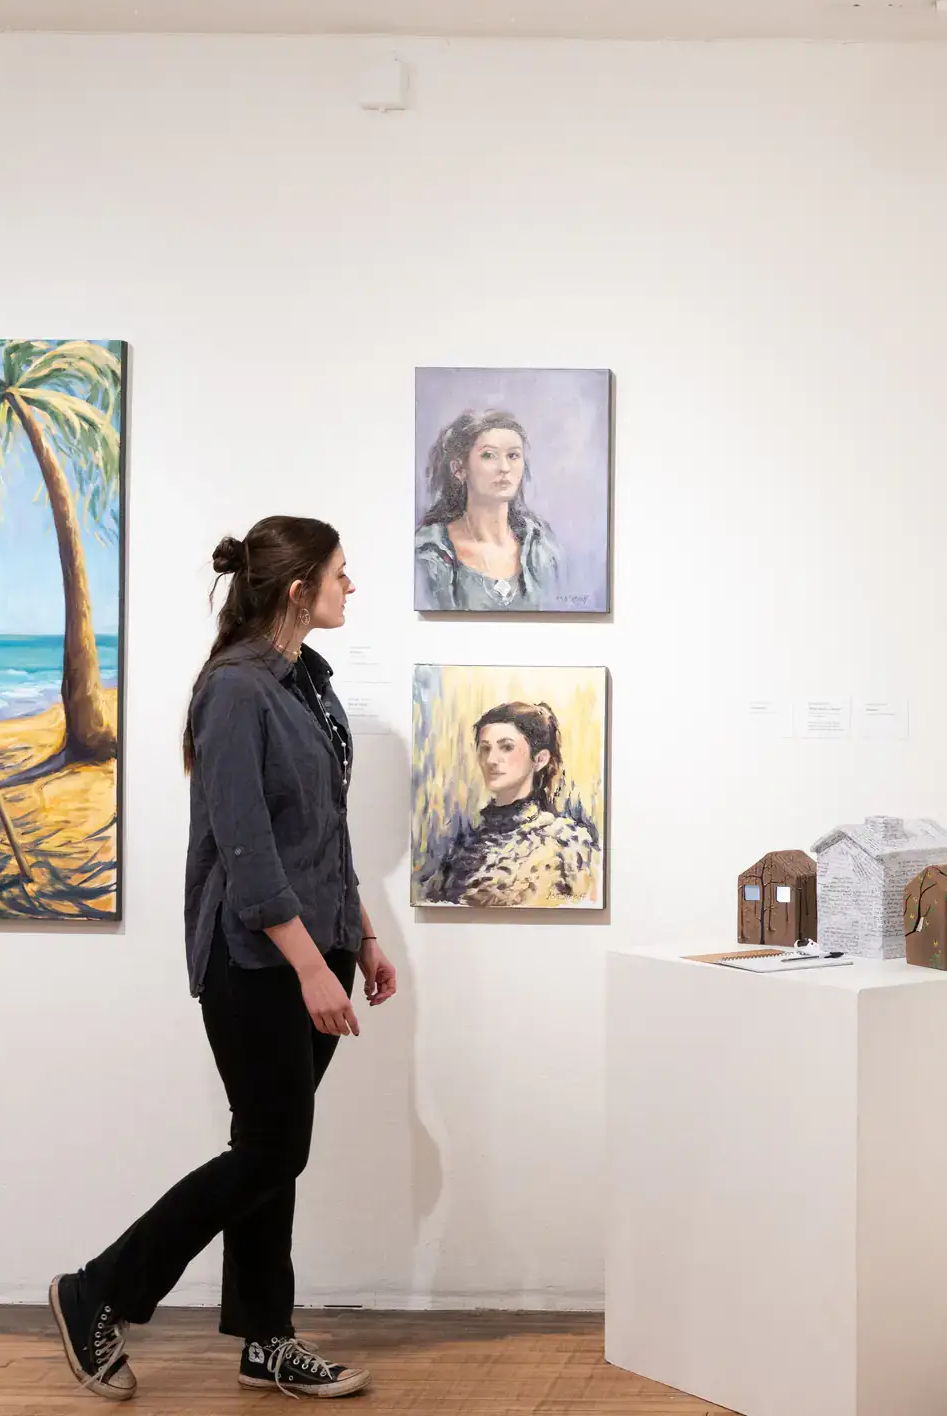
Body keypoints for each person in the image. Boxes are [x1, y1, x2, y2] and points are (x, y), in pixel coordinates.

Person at [50, 515, 397, 1403]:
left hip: (316, 944)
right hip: (254, 957)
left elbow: (323, 827)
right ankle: (101, 1289)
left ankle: (265, 1339)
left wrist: (357, 932)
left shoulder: (307, 681)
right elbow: (246, 850)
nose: (350, 587)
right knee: (274, 1149)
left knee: (267, 1149)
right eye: (340, 574)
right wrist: (311, 965)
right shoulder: (237, 692)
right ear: (297, 590)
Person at [421, 700, 600, 906]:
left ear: (540, 759)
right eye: (485, 749)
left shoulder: (569, 845)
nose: (491, 760)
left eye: (506, 747)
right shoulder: (463, 849)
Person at [413, 410, 564, 610]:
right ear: (459, 469)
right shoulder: (429, 552)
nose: (504, 468)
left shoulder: (541, 546)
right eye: (489, 455)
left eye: (513, 455)